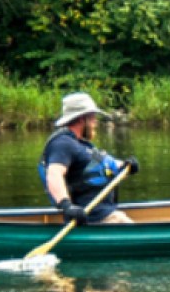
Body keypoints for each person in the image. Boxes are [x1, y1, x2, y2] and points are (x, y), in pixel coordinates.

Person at [38, 92, 139, 226]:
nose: (95, 122)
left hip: (107, 214)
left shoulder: (83, 145)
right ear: (81, 119)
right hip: (95, 219)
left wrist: (126, 165)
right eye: (92, 117)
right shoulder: (62, 143)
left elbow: (104, 164)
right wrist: (67, 206)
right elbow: (54, 175)